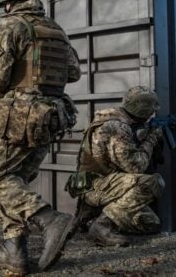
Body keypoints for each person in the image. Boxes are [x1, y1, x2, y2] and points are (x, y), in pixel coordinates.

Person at [0, 0, 81, 274]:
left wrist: (9, 89)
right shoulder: (56, 30)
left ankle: (50, 219)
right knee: (15, 182)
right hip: (50, 116)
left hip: (20, 116)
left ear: (11, 1)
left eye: (7, 2)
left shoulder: (10, 26)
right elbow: (73, 72)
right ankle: (16, 253)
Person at [67, 86, 165, 247]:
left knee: (150, 224)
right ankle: (102, 226)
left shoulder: (111, 117)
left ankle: (92, 217)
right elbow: (136, 167)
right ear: (142, 110)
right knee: (152, 183)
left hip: (97, 183)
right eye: (149, 111)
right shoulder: (117, 127)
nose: (150, 115)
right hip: (96, 186)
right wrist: (151, 139)